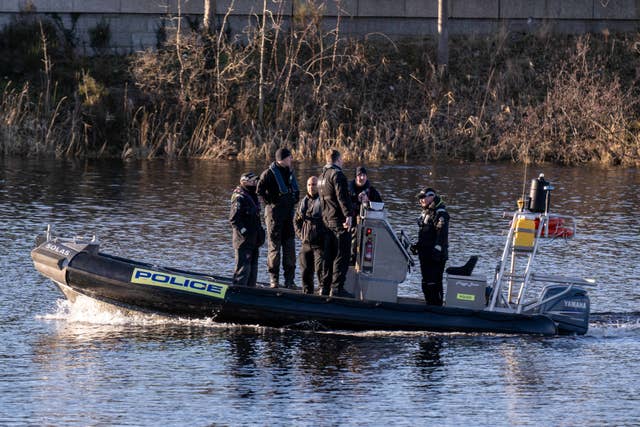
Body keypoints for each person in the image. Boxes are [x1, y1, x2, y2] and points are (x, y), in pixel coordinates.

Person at [257, 147, 300, 288]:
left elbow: (296, 191)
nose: (291, 159)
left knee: (290, 247)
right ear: (282, 159)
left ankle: (289, 281)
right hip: (274, 216)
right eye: (289, 157)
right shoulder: (268, 173)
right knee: (275, 248)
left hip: (288, 215)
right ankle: (274, 279)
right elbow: (259, 191)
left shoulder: (290, 172)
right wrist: (270, 201)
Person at [318, 149, 354, 297]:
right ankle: (337, 288)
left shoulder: (322, 176)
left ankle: (324, 287)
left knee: (328, 255)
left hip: (326, 220)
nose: (343, 162)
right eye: (342, 159)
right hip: (339, 221)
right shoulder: (337, 175)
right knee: (341, 254)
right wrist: (348, 215)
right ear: (338, 159)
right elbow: (342, 197)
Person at [411, 187, 449, 305]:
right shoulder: (426, 212)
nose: (421, 200)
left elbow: (441, 235)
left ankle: (436, 307)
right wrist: (417, 246)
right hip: (425, 255)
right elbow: (426, 234)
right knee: (425, 282)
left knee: (434, 283)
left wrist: (436, 252)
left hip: (435, 257)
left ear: (431, 197)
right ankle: (429, 304)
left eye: (423, 198)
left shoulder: (440, 213)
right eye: (420, 198)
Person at [229, 172, 265, 287]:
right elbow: (234, 219)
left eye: (256, 181)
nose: (255, 183)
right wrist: (245, 232)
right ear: (244, 182)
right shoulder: (239, 197)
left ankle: (251, 290)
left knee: (253, 268)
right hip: (243, 240)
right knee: (243, 268)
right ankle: (239, 290)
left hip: (254, 240)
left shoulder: (253, 196)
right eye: (252, 181)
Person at [294, 176, 326, 294]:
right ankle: (307, 292)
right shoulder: (303, 202)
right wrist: (301, 234)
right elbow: (296, 221)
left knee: (320, 270)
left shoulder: (324, 202)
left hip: (320, 244)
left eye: (313, 184)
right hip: (306, 243)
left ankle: (323, 291)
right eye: (309, 185)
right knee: (305, 271)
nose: (311, 187)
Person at [348, 166, 383, 264]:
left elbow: (380, 207)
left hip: (368, 225)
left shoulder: (371, 191)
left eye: (363, 175)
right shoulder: (348, 190)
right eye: (359, 175)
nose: (362, 178)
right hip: (351, 224)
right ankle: (351, 263)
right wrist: (356, 201)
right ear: (355, 177)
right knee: (352, 246)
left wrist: (368, 202)